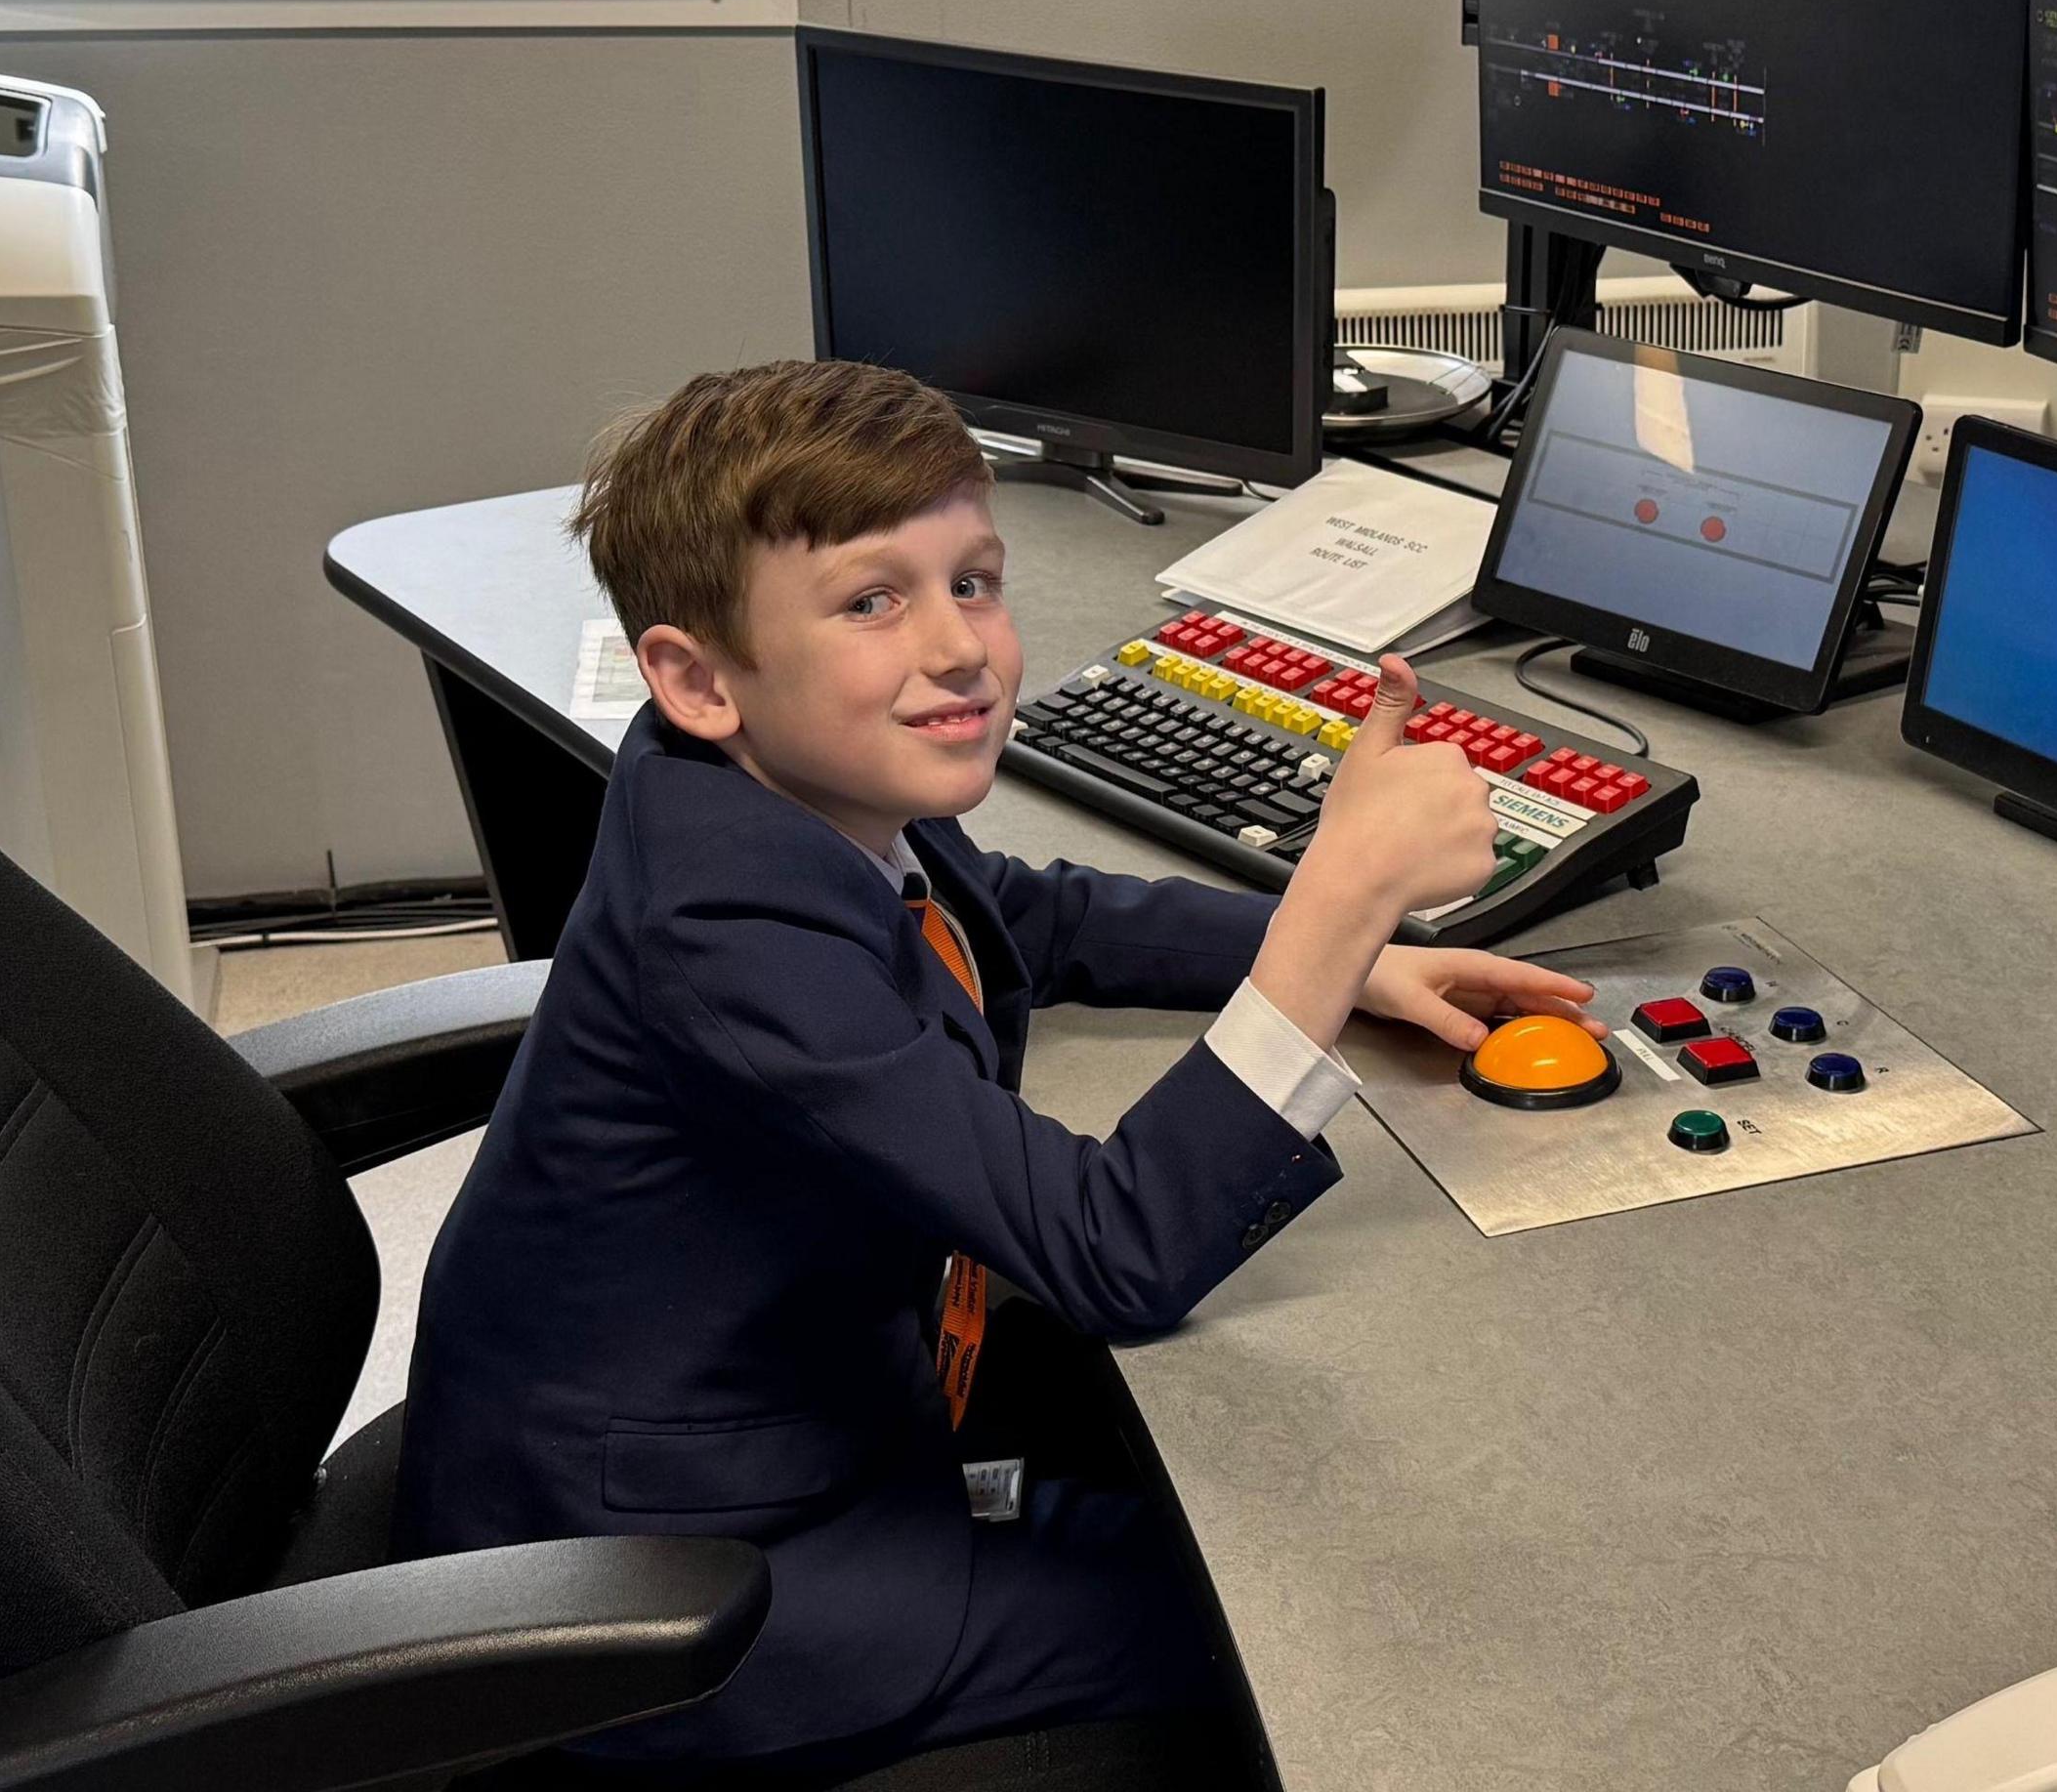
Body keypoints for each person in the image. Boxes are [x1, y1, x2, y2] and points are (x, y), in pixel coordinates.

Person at [397, 359, 1593, 1777]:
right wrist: (1336, 901)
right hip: (675, 1585)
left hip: (760, 1422)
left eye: (972, 581)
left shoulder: (779, 793)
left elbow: (1029, 913)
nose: (959, 648)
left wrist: (1354, 959)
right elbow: (1114, 1249)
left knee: (1187, 1501)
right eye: (871, 601)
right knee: (1299, 1631)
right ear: (698, 679)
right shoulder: (728, 928)